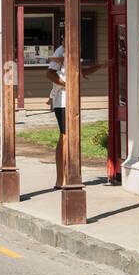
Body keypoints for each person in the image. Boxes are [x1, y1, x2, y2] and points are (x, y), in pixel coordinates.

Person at [45, 44, 102, 187]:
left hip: (71, 100)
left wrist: (102, 66)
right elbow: (50, 73)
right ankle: (62, 178)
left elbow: (79, 72)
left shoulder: (75, 48)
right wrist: (68, 85)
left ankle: (64, 178)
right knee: (65, 136)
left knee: (66, 136)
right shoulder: (61, 50)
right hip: (62, 101)